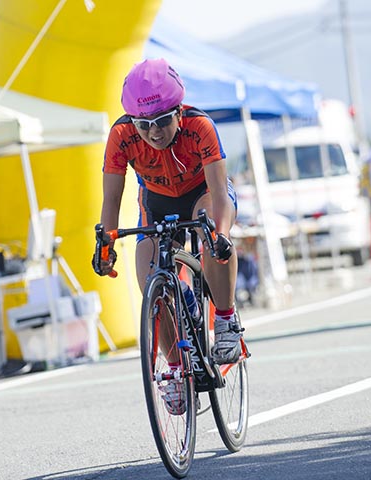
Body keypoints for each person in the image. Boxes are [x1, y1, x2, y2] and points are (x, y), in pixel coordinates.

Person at [93, 59, 240, 412]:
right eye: (143, 125)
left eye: (161, 121)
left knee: (210, 234)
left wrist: (220, 233)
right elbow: (111, 198)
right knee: (150, 279)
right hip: (156, 201)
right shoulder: (121, 134)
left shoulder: (199, 125)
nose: (153, 132)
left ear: (178, 111)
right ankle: (175, 368)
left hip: (203, 192)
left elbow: (220, 192)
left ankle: (224, 318)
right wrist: (105, 244)